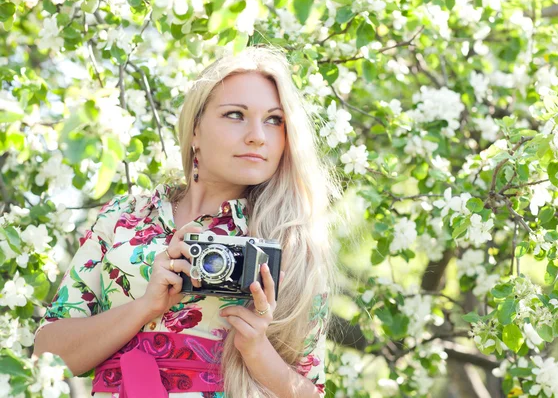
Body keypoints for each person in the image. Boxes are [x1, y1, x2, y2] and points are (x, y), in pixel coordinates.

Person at [33, 46, 340, 398]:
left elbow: (311, 393)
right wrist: (144, 306)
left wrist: (256, 350)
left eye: (274, 119)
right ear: (195, 130)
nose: (258, 135)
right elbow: (47, 355)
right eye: (235, 114)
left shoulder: (290, 242)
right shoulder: (124, 216)